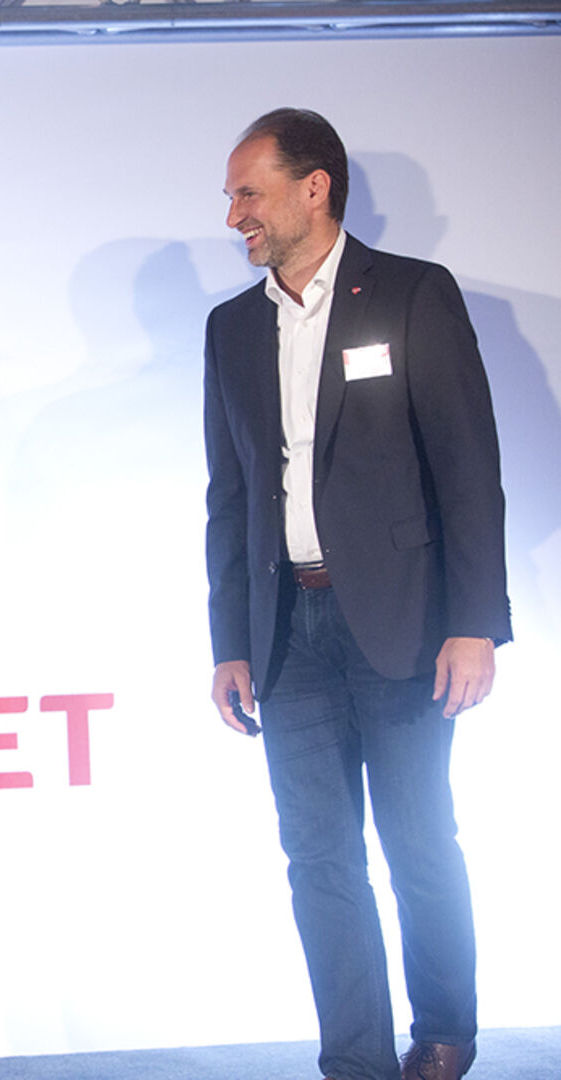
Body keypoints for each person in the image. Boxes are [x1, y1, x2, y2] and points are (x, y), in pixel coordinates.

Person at [204, 108, 511, 1080]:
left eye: (247, 193)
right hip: (283, 633)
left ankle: (444, 1033)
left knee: (418, 844)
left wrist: (473, 623)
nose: (233, 215)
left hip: (404, 624)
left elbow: (467, 468)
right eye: (230, 197)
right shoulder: (229, 327)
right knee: (317, 859)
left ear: (313, 188)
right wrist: (228, 640)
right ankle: (354, 1062)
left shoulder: (413, 294)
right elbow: (228, 496)